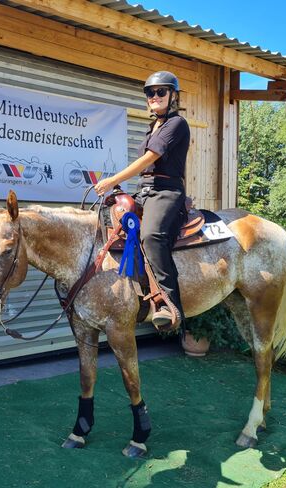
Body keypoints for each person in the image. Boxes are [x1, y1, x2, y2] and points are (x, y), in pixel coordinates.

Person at [94, 71, 190, 329]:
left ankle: (171, 305)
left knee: (151, 235)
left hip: (166, 191)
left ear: (173, 96)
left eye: (161, 91)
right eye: (150, 92)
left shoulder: (177, 124)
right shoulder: (153, 127)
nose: (154, 97)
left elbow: (150, 158)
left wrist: (113, 180)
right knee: (115, 222)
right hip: (144, 190)